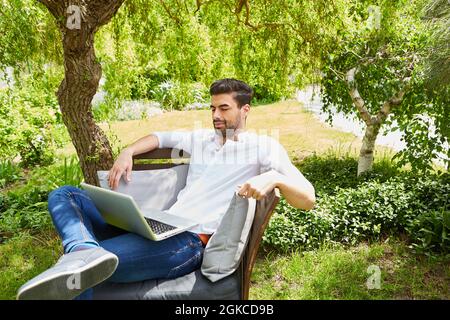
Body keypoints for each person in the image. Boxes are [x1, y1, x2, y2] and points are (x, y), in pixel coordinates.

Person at [17, 78, 315, 300]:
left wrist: (275, 179)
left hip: (187, 243)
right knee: (66, 195)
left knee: (82, 275)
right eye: (212, 107)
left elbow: (308, 199)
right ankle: (83, 250)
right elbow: (158, 137)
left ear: (245, 109)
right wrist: (128, 151)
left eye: (224, 108)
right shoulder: (201, 140)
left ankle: (83, 260)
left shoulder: (263, 147)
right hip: (157, 227)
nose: (215, 115)